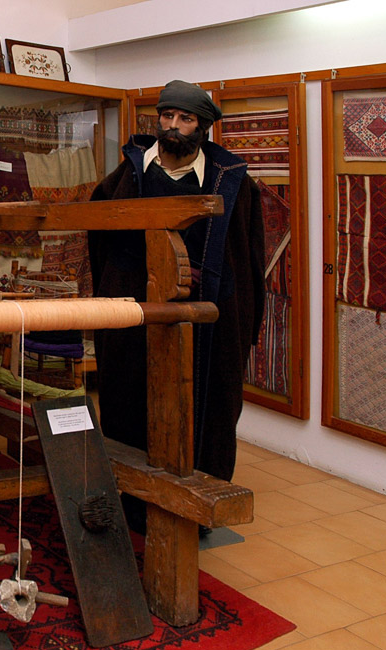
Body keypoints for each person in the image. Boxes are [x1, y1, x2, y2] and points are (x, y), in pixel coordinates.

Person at [87, 80, 265, 534]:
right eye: (167, 117)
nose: (173, 127)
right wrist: (111, 300)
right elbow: (100, 244)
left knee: (207, 406)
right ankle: (130, 503)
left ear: (203, 127)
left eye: (184, 119)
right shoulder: (127, 176)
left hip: (208, 320)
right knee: (129, 398)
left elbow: (247, 258)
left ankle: (198, 511)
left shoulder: (231, 183)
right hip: (134, 312)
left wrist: (243, 321)